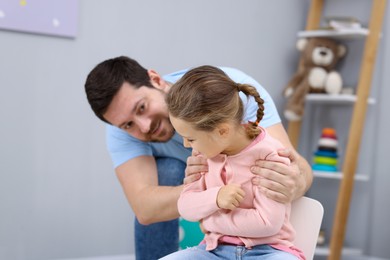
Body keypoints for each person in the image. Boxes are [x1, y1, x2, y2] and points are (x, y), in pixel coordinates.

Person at [84, 56, 313, 260]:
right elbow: (145, 208)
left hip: (255, 209)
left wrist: (291, 181)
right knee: (169, 170)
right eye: (128, 125)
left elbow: (294, 167)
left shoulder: (225, 93)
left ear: (155, 79)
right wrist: (210, 195)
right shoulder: (120, 130)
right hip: (211, 209)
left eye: (142, 107)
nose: (143, 126)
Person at [160, 65, 305, 259]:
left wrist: (208, 222)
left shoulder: (269, 155)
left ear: (222, 131)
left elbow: (267, 223)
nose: (187, 145)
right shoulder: (203, 154)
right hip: (214, 250)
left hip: (267, 251)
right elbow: (186, 207)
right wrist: (216, 197)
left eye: (191, 138)